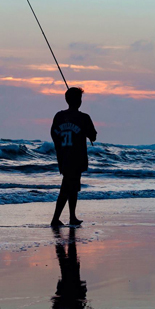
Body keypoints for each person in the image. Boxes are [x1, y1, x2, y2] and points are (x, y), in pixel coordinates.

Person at [50, 87, 97, 227]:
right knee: (66, 188)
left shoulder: (59, 116)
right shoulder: (84, 118)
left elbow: (53, 134)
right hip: (76, 158)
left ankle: (72, 217)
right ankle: (55, 219)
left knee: (73, 187)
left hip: (64, 157)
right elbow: (93, 135)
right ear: (79, 101)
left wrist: (61, 148)